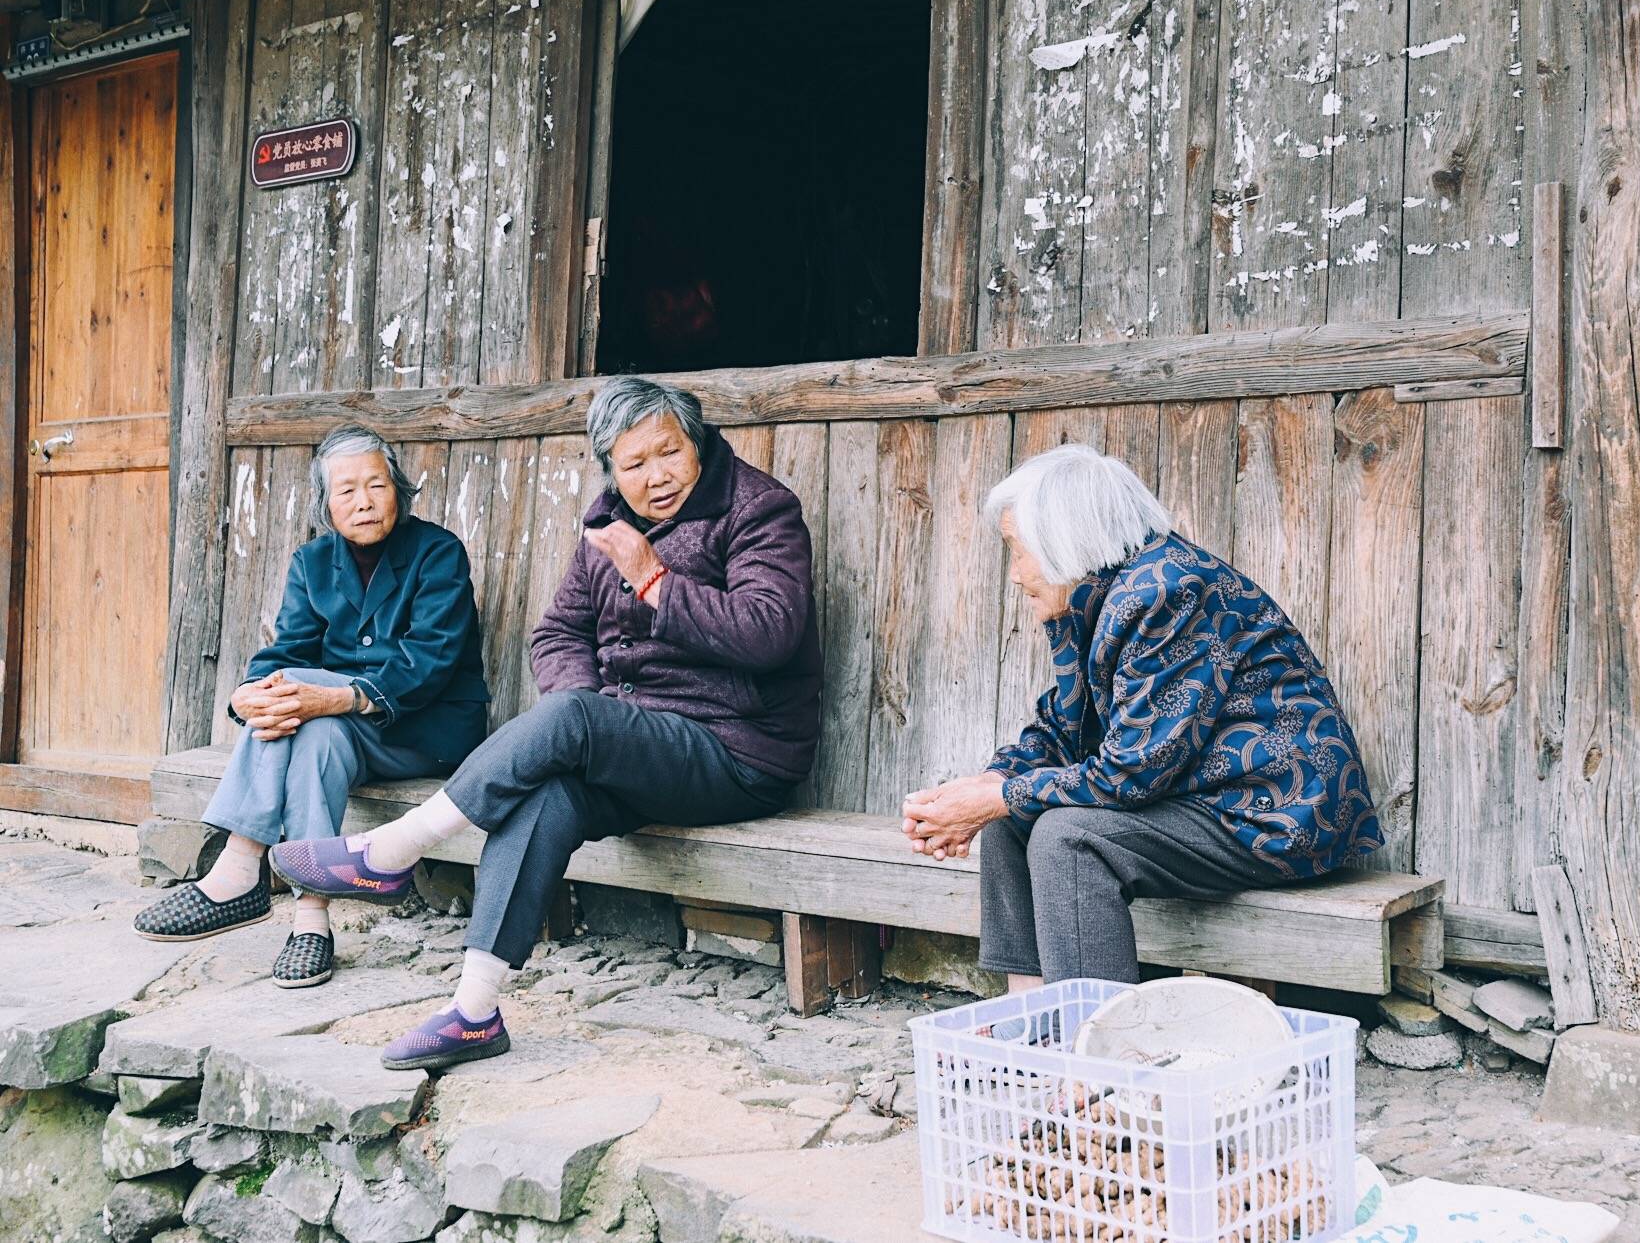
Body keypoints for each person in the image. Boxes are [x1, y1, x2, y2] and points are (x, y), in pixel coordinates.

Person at [272, 376, 823, 1070]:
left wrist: (657, 583)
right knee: (548, 791)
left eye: (669, 453)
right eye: (634, 465)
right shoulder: (606, 522)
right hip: (634, 745)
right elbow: (558, 632)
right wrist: (592, 718)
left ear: (697, 443)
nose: (656, 476)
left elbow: (771, 632)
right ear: (610, 470)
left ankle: (392, 850)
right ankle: (474, 1010)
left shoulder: (759, 509)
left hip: (736, 749)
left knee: (573, 719)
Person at [902, 444, 1383, 989]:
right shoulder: (1101, 595)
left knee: (1069, 835)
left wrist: (998, 795)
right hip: (1201, 800)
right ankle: (1028, 1020)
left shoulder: (1167, 591)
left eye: (1017, 550)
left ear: (1065, 537)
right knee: (1013, 818)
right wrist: (994, 782)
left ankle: (1098, 1050)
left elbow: (1132, 772)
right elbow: (1063, 725)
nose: (1015, 575)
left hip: (1272, 813)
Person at [133, 428, 489, 989]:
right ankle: (311, 920)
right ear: (326, 504)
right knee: (310, 728)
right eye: (346, 491)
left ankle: (239, 867)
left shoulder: (438, 553)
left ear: (399, 490)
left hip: (425, 729)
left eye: (377, 484)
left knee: (298, 695)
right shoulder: (314, 561)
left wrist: (332, 696)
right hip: (341, 733)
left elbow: (430, 662)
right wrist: (245, 695)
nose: (364, 501)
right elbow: (288, 650)